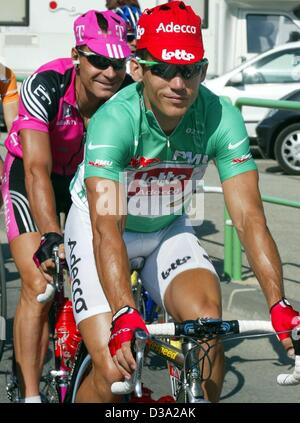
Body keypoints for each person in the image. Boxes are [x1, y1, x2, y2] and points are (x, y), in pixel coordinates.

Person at [64, 1, 300, 403]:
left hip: (167, 228)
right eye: (166, 69)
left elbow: (249, 219)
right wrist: (123, 312)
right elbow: (107, 231)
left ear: (203, 71)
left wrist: (278, 303)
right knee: (113, 369)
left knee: (208, 330)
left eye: (189, 70)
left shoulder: (219, 116)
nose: (179, 83)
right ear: (138, 69)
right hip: (100, 229)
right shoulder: (115, 120)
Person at [2, 9, 132, 403]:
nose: (110, 72)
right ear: (77, 55)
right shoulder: (46, 83)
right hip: (32, 174)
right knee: (39, 283)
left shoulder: (127, 93)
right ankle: (29, 395)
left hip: (82, 180)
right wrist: (52, 235)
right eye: (99, 61)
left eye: (118, 62)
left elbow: (123, 169)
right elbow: (37, 170)